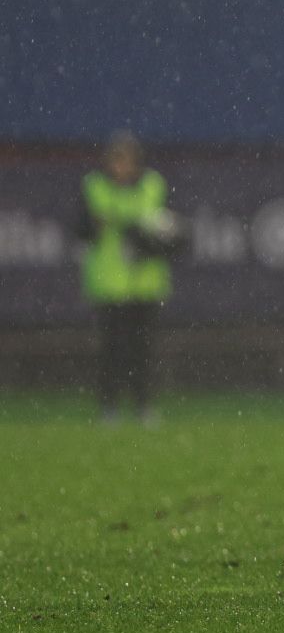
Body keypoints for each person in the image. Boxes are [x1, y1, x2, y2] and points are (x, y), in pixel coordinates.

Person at [77, 131, 178, 424]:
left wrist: (147, 234)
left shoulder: (152, 185)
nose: (122, 166)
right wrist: (98, 225)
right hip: (110, 283)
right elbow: (81, 231)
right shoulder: (95, 186)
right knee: (112, 349)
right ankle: (109, 406)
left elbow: (168, 230)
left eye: (128, 160)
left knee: (143, 349)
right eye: (117, 160)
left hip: (146, 283)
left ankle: (143, 405)